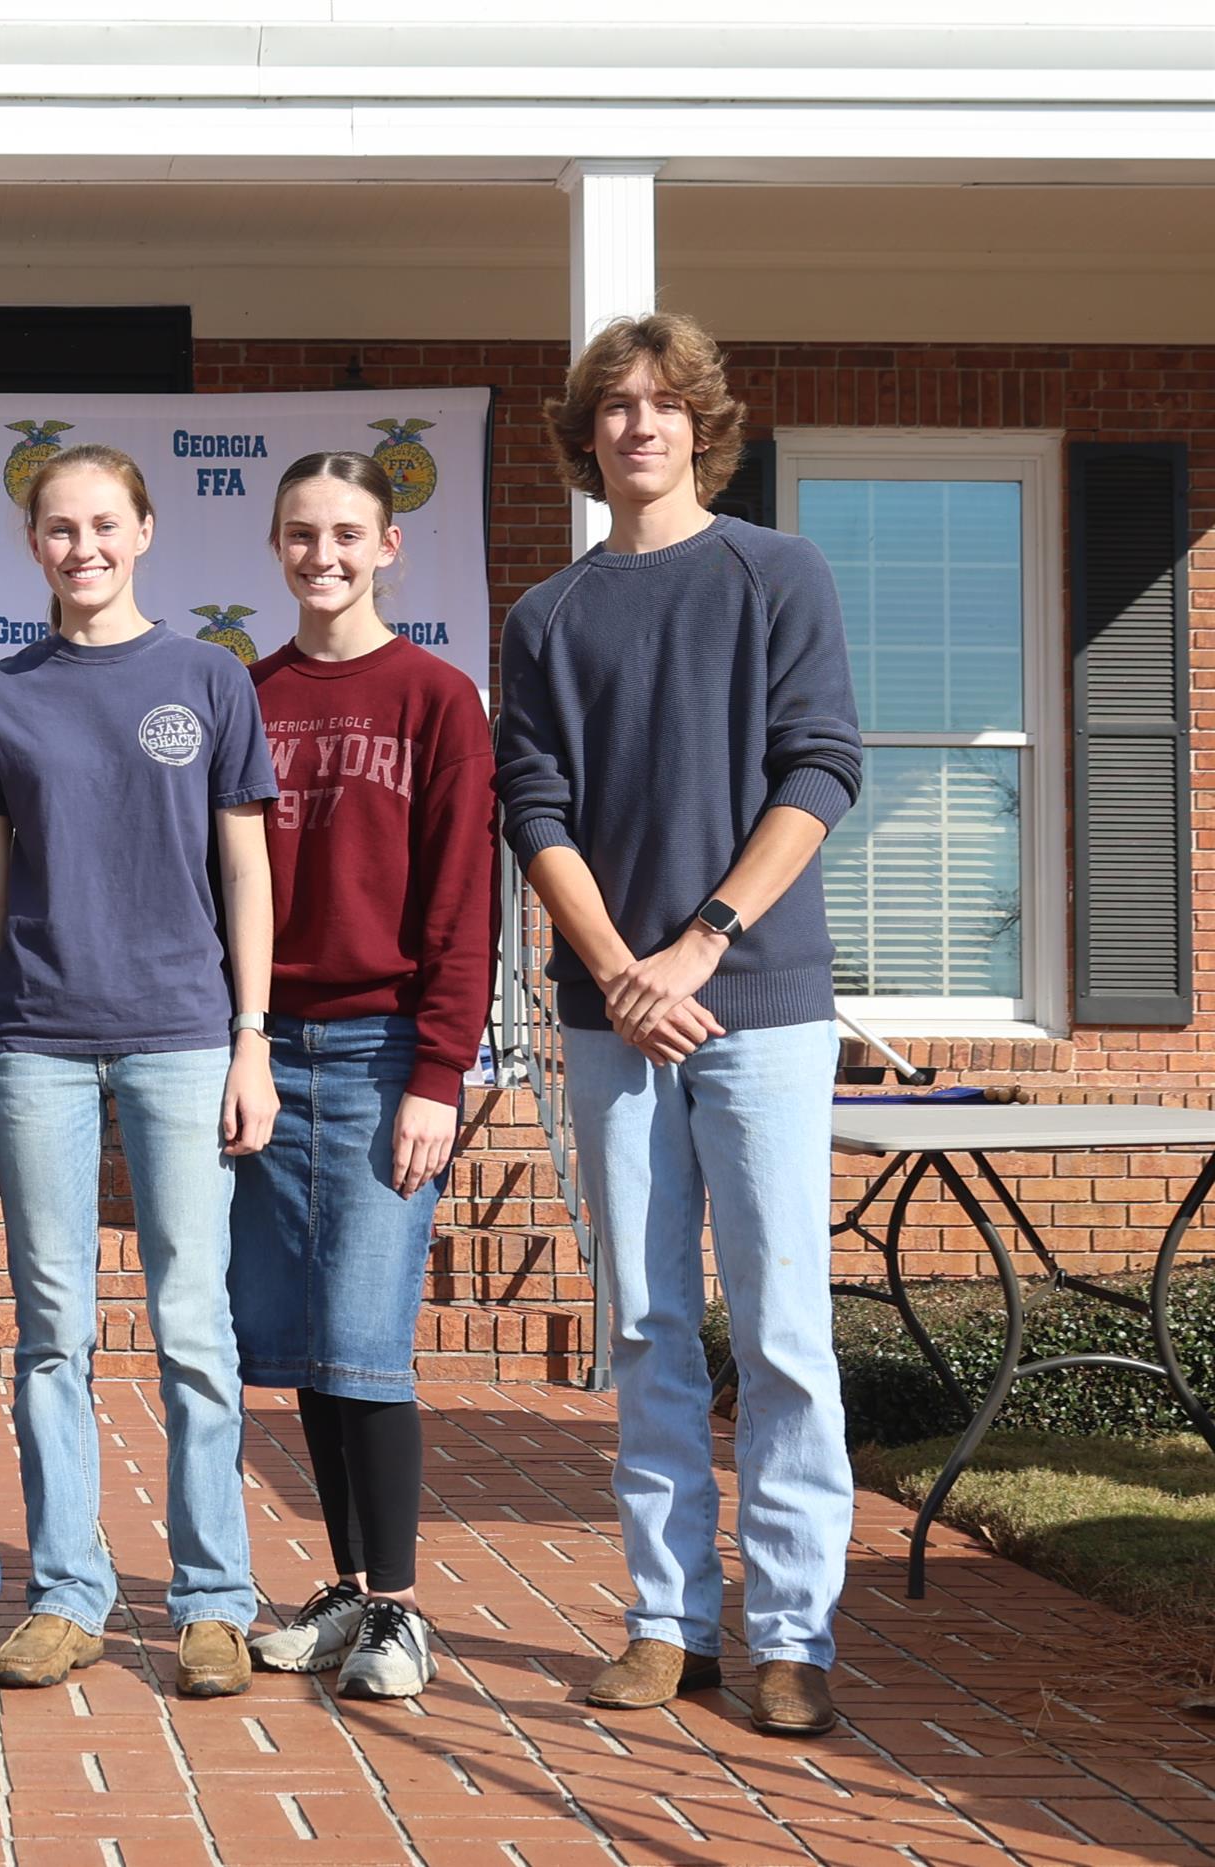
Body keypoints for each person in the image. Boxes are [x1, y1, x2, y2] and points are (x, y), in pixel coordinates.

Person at [495, 312, 861, 1736]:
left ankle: (792, 1634)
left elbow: (819, 769)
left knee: (779, 1326)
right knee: (646, 1324)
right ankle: (667, 1622)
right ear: (585, 433)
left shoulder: (778, 572)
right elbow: (536, 808)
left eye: (662, 402)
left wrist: (697, 942)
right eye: (615, 404)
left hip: (757, 1007)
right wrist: (620, 972)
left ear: (702, 425)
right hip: (613, 1021)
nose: (638, 423)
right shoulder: (548, 615)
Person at [0, 445, 278, 1699]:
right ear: (32, 542)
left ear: (143, 530)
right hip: (35, 1040)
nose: (81, 547)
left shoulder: (207, 677)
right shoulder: (2, 695)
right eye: (58, 527)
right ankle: (65, 1592)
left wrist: (251, 1036)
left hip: (184, 1034)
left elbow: (244, 869)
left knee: (193, 1323)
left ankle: (213, 1596)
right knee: (52, 1330)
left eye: (104, 524)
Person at [229, 452, 497, 1702]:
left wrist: (439, 1070)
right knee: (303, 1344)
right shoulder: (248, 694)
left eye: (346, 534)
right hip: (267, 1047)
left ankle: (399, 1607)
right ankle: (345, 1588)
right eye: (301, 533)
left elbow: (461, 901)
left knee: (367, 1339)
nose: (322, 555)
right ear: (275, 546)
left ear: (389, 547)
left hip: (386, 1050)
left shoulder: (435, 698)